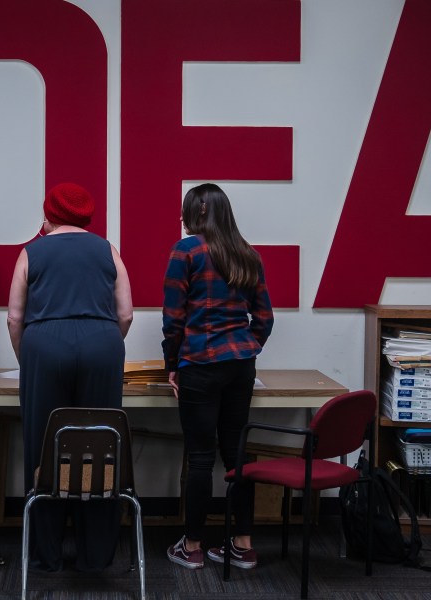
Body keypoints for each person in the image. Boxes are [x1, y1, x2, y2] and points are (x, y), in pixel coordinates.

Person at [6, 182, 133, 572]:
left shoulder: (32, 251)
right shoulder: (107, 249)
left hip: (44, 344)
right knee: (100, 445)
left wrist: (28, 358)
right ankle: (96, 555)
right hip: (101, 343)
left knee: (44, 444)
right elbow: (125, 313)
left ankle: (47, 554)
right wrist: (104, 341)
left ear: (48, 216)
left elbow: (15, 316)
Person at [162, 183, 274, 571]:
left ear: (196, 213)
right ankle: (242, 544)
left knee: (200, 459)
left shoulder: (187, 250)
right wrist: (246, 347)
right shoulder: (247, 253)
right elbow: (265, 318)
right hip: (240, 366)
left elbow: (173, 318)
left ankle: (192, 546)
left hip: (199, 365)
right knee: (236, 454)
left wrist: (171, 365)